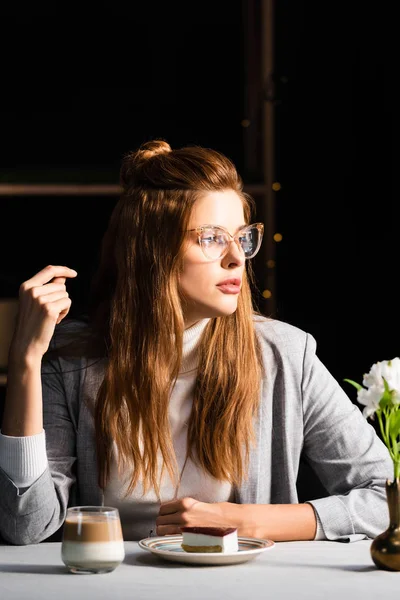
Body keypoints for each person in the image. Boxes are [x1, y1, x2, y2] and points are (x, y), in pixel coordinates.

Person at [0, 139, 392, 545]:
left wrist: (250, 522)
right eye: (211, 238)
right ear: (151, 251)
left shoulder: (287, 355)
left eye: (241, 237)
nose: (237, 258)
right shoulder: (72, 362)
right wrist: (27, 359)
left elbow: (386, 498)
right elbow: (24, 527)